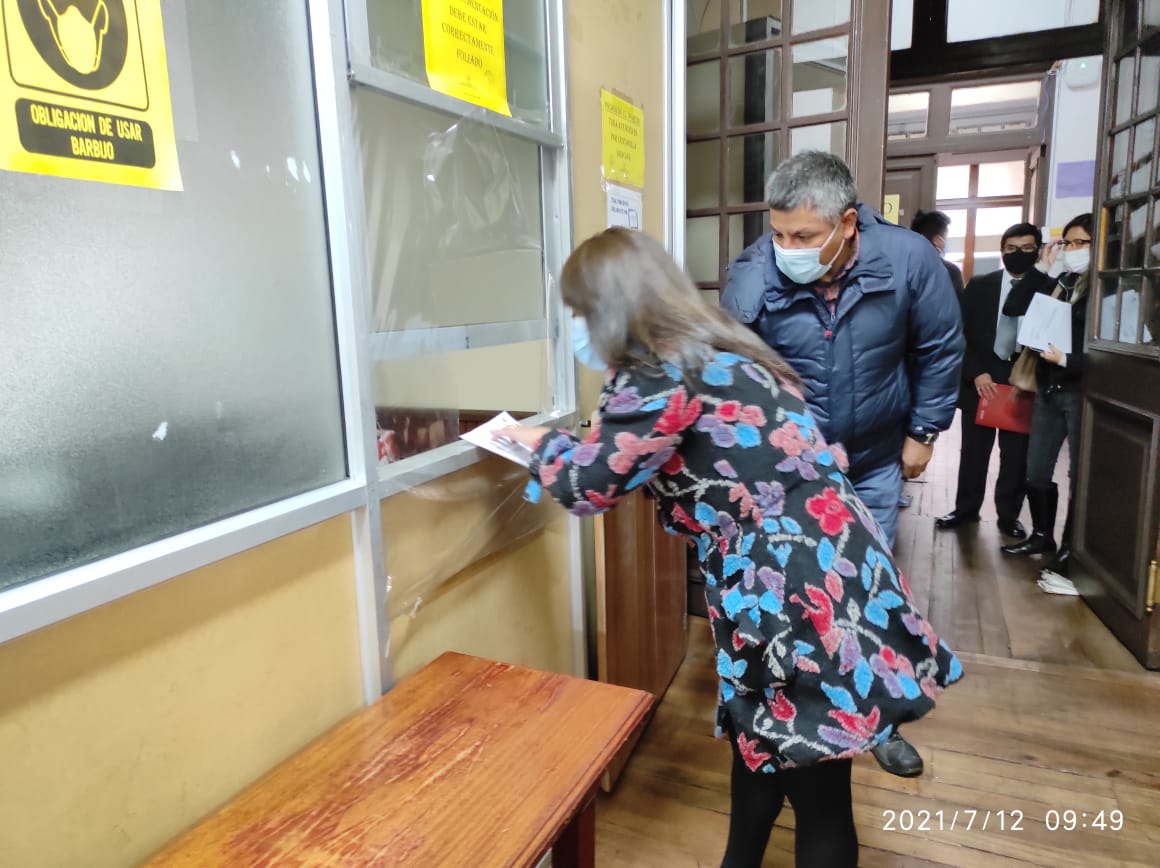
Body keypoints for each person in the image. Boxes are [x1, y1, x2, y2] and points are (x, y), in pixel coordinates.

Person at [498, 228, 962, 868]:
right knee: (761, 740)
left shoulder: (659, 371)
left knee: (817, 782)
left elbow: (589, 484)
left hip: (790, 586)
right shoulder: (728, 353)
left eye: (580, 311)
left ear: (611, 308)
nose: (576, 327)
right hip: (830, 557)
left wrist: (531, 442)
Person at [720, 151, 964, 778]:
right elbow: (736, 378)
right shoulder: (753, 277)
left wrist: (925, 430)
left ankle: (877, 721)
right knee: (795, 590)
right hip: (792, 473)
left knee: (866, 590)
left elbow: (940, 349)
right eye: (776, 233)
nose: (785, 248)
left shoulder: (910, 260)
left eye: (801, 236)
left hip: (876, 459)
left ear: (849, 223)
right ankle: (790, 713)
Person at [999, 214, 1093, 596]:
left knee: (1080, 478)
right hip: (1048, 389)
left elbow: (1114, 352)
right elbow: (1016, 305)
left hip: (1080, 390)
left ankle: (1072, 550)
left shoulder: (1105, 289)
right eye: (1066, 243)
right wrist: (1043, 267)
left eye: (1080, 243)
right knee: (1036, 467)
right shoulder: (1062, 282)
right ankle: (1042, 536)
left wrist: (1069, 361)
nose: (1071, 251)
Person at [936, 223, 1041, 539]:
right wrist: (976, 372)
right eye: (1011, 249)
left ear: (1038, 250)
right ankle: (966, 510)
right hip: (981, 379)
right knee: (973, 452)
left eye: (1026, 248)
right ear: (1002, 251)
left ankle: (1008, 516)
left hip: (1021, 380)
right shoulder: (981, 285)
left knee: (1016, 456)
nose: (1018, 254)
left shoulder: (1047, 287)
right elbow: (959, 334)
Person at [910, 209, 965, 296]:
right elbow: (959, 307)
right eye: (945, 237)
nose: (945, 242)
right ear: (936, 240)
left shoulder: (903, 268)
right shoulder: (950, 272)